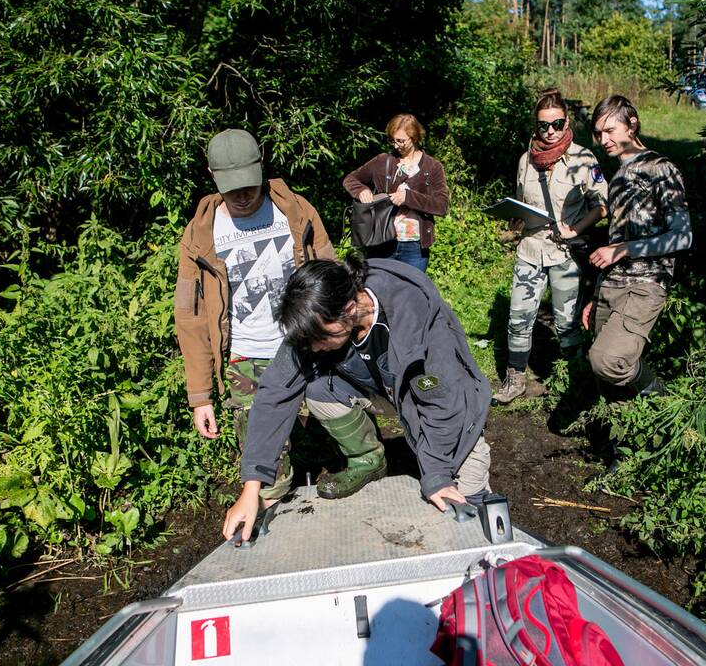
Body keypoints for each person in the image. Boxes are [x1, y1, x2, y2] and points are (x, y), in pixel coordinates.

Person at [220, 255, 493, 543]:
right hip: (387, 389)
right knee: (317, 388)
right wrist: (251, 488)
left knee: (466, 513)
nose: (314, 347)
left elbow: (443, 408)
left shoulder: (412, 316)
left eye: (320, 338)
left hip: (454, 410)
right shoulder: (319, 315)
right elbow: (274, 393)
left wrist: (437, 475)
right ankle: (369, 460)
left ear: (349, 310)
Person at [174, 128, 347, 511]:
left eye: (248, 184)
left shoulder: (296, 212)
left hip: (306, 344)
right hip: (245, 359)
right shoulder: (199, 236)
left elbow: (331, 275)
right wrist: (200, 397)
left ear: (261, 166)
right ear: (211, 175)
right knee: (266, 473)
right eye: (231, 187)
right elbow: (189, 317)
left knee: (331, 450)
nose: (242, 194)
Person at [492, 88, 608, 404]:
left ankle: (575, 382)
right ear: (536, 125)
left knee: (566, 323)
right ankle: (514, 380)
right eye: (544, 125)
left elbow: (602, 205)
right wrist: (511, 223)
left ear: (566, 121)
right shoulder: (525, 161)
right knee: (518, 317)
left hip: (564, 254)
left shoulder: (583, 159)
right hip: (530, 250)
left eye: (556, 124)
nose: (550, 131)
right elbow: (521, 202)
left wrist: (575, 229)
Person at [582, 95, 693, 396]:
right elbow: (614, 242)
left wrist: (626, 249)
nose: (603, 139)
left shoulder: (661, 168)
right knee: (605, 382)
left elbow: (683, 237)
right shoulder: (617, 179)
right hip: (612, 286)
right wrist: (596, 295)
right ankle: (620, 439)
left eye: (610, 130)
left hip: (644, 285)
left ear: (632, 125)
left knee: (608, 361)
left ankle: (661, 394)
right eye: (598, 133)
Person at [343, 114, 449, 272]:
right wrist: (361, 190)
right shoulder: (382, 161)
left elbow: (441, 206)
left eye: (400, 141)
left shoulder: (432, 167)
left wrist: (408, 197)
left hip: (415, 248)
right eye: (392, 140)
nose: (395, 145)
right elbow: (350, 179)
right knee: (378, 292)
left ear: (413, 137)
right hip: (381, 242)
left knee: (411, 294)